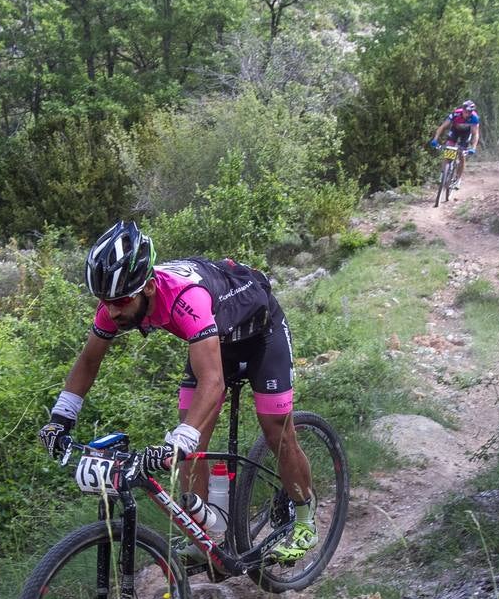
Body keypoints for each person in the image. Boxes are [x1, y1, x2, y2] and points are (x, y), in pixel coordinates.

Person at [38, 221, 319, 561]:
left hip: (261, 335)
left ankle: (305, 518)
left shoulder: (187, 299)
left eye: (122, 301)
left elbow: (212, 382)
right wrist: (61, 417)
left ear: (149, 288)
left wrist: (182, 437)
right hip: (213, 341)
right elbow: (88, 361)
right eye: (105, 301)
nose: (113, 311)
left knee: (276, 429)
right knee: (190, 440)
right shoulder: (118, 301)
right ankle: (206, 539)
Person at [429, 99, 480, 191]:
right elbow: (442, 127)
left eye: (470, 112)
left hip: (466, 134)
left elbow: (475, 134)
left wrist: (473, 147)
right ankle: (443, 173)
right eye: (466, 111)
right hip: (455, 131)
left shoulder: (474, 118)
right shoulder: (455, 114)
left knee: (461, 155)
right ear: (463, 109)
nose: (468, 113)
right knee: (449, 148)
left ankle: (458, 179)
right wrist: (435, 139)